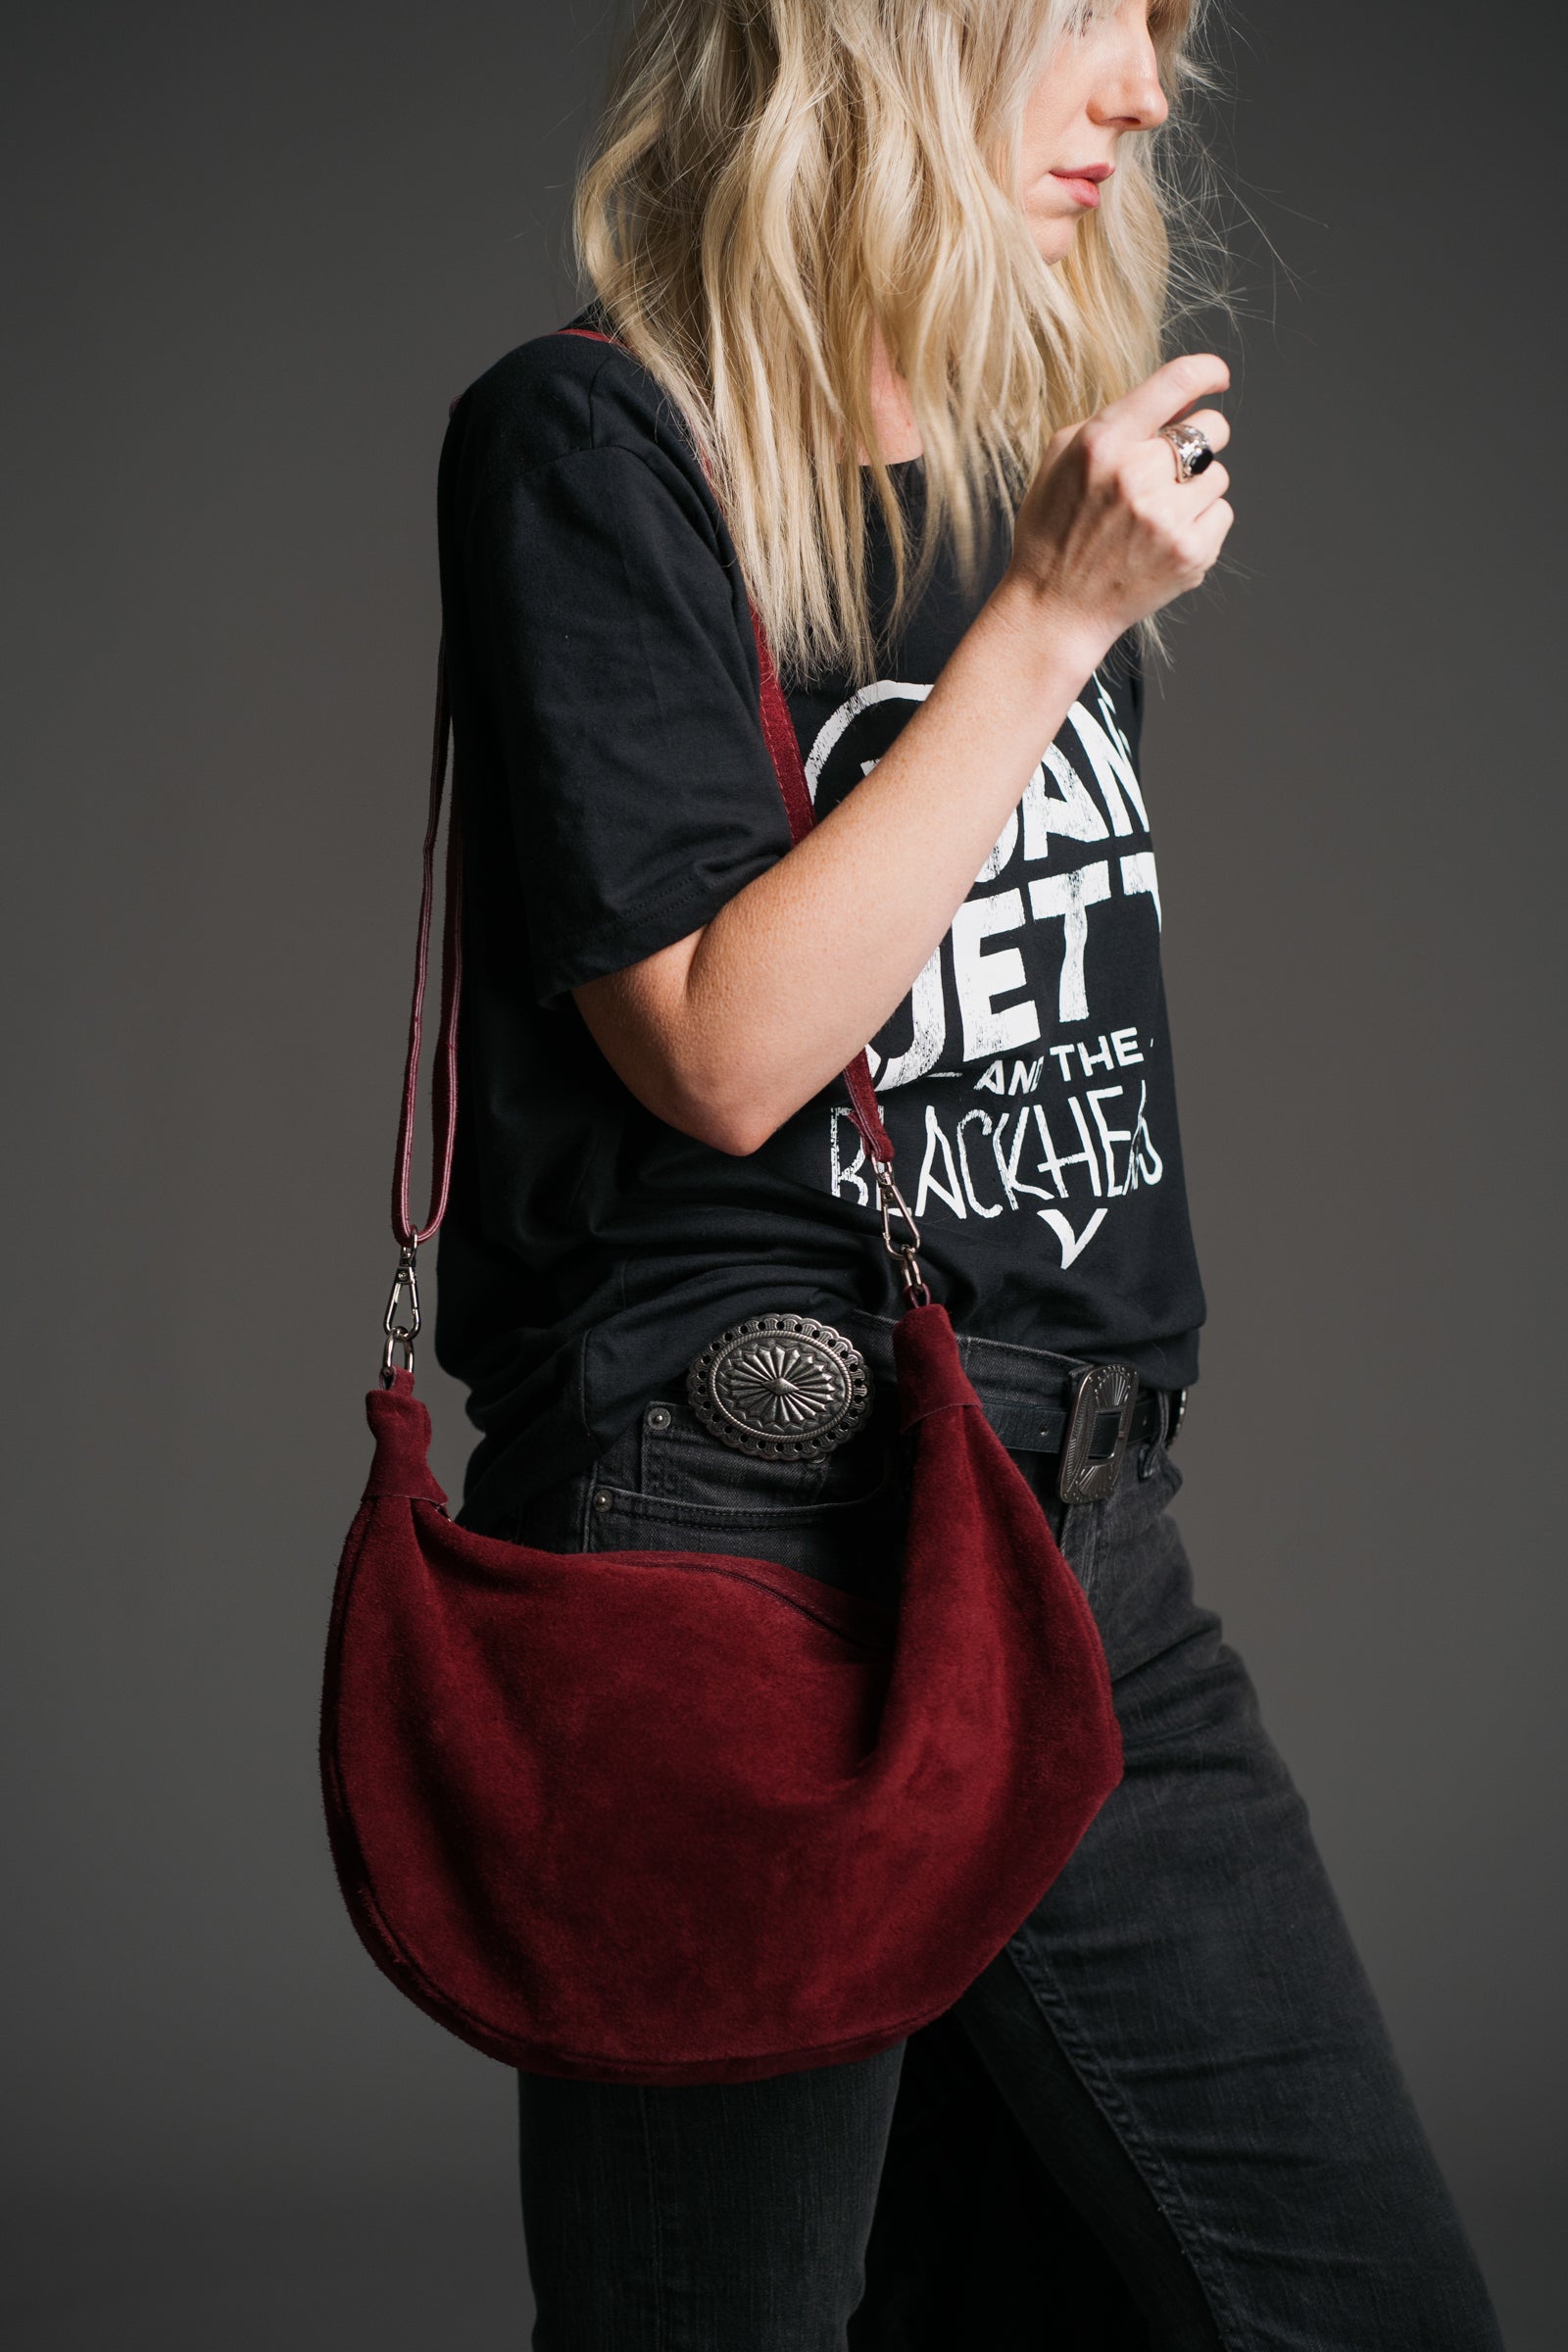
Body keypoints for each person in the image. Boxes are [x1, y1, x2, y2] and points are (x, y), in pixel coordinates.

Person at [431, 0, 1505, 2342]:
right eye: (1087, 16)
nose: (1144, 87)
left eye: (1163, 29)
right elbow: (721, 1053)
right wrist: (1046, 622)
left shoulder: (1027, 481)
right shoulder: (603, 441)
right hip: (744, 1557)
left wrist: (1044, 596)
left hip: (1079, 1541)